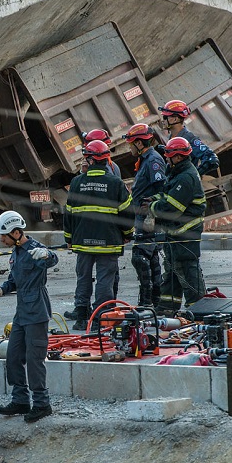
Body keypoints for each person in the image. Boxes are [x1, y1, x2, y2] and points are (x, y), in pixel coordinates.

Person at [0, 211, 59, 422]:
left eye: (4, 235)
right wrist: (0, 290)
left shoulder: (35, 250)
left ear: (16, 232)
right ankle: (21, 400)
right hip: (21, 314)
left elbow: (53, 258)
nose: (1, 239)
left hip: (36, 312)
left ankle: (42, 404)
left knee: (34, 361)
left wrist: (46, 254)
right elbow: (13, 281)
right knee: (14, 357)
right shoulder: (16, 252)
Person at [63, 140, 134, 330]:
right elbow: (127, 213)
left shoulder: (77, 183)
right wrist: (128, 234)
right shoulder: (115, 183)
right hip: (109, 242)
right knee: (105, 281)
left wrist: (68, 239)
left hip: (82, 243)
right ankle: (99, 320)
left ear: (91, 160)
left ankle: (80, 319)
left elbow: (68, 214)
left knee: (83, 278)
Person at [151, 136, 207, 314]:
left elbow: (172, 209)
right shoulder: (178, 173)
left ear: (177, 157)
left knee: (187, 271)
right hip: (177, 233)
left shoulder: (186, 177)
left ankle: (197, 310)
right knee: (173, 271)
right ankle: (168, 307)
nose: (166, 158)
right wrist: (154, 200)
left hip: (185, 234)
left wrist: (152, 207)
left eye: (168, 155)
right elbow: (168, 196)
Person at [124, 123, 166, 307]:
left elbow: (162, 189)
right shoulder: (145, 160)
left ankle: (147, 303)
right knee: (151, 258)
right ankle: (154, 302)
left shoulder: (153, 161)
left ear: (140, 143)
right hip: (143, 218)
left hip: (149, 219)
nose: (130, 147)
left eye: (131, 143)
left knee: (140, 258)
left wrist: (151, 210)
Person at [160, 100, 220, 177]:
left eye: (165, 117)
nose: (163, 120)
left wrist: (194, 175)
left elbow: (211, 159)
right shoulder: (172, 137)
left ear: (175, 119)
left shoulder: (189, 139)